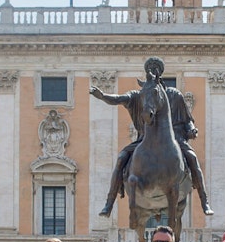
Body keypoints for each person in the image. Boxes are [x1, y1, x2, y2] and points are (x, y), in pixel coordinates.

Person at [90, 57, 212, 216]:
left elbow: (187, 119)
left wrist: (191, 129)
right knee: (121, 158)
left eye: (156, 68)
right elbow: (120, 99)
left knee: (192, 158)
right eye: (150, 68)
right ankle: (109, 203)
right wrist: (103, 96)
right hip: (144, 139)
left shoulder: (174, 95)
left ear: (160, 73)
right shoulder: (141, 95)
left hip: (176, 140)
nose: (153, 70)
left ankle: (204, 201)